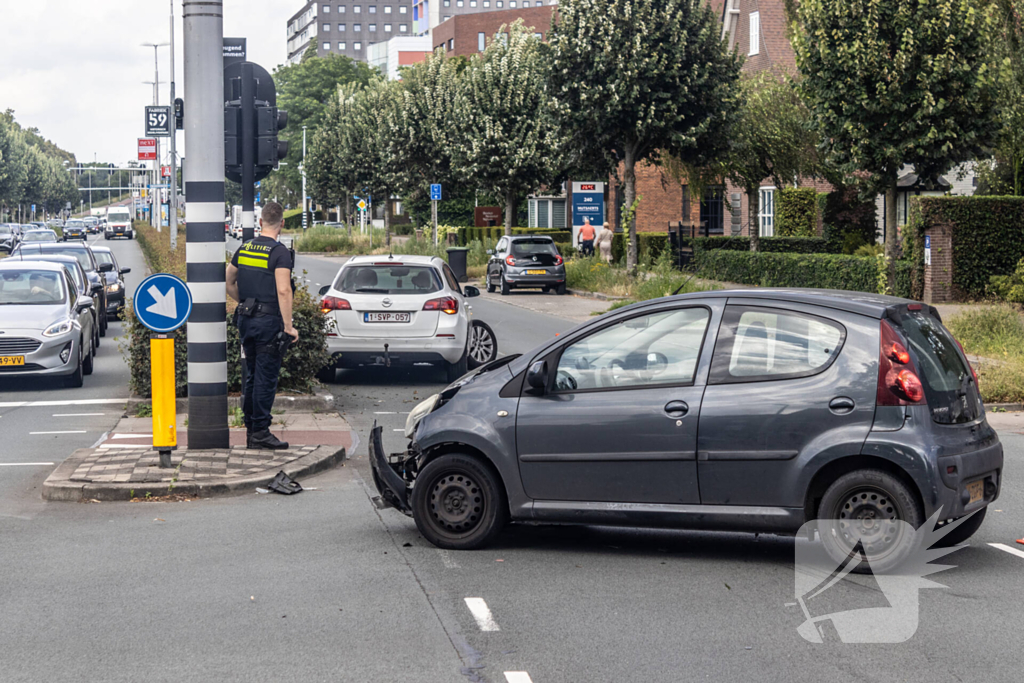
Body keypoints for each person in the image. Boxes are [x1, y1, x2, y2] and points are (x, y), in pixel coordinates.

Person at [225, 201, 299, 450]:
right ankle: (260, 433)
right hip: (269, 323)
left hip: (246, 321)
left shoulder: (244, 248)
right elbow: (283, 289)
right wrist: (288, 326)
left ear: (260, 222)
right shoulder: (279, 253)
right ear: (282, 223)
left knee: (252, 376)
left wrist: (246, 303)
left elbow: (229, 281)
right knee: (266, 378)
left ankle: (251, 429)